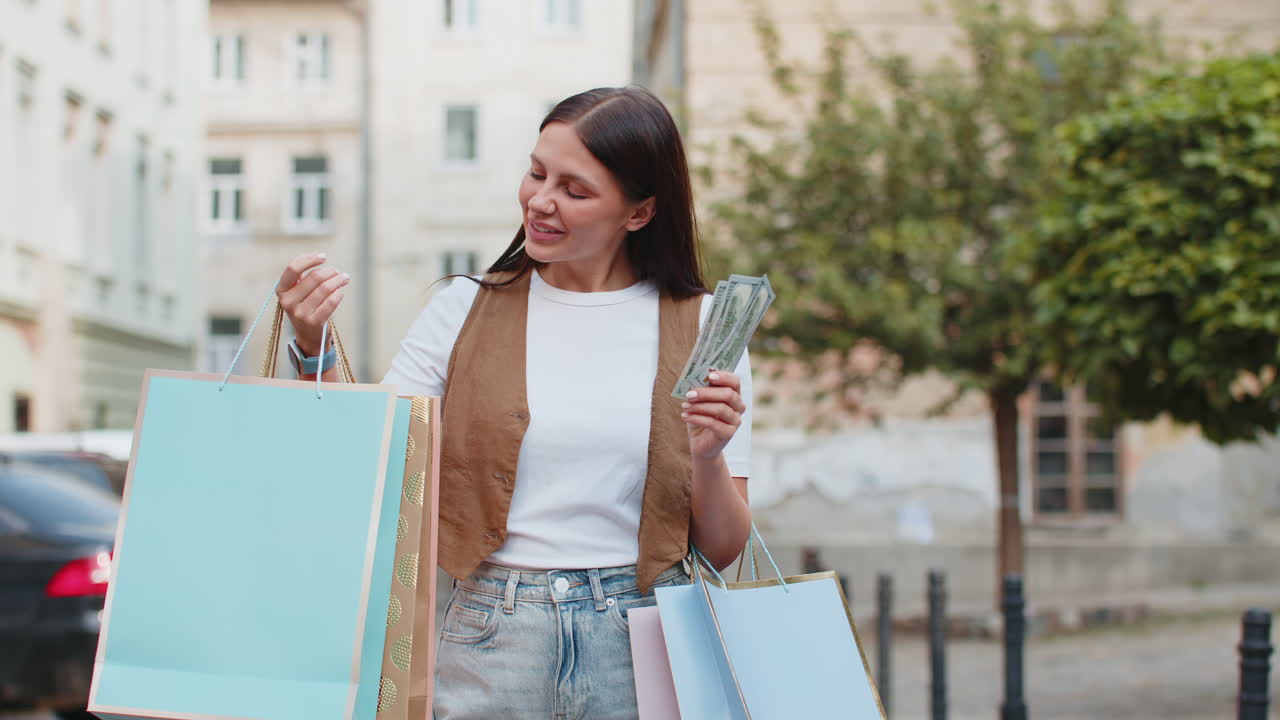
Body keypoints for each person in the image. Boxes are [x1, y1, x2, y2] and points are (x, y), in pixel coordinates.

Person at [273, 86, 753, 719]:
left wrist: (708, 455)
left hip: (646, 641)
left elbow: (723, 548)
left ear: (639, 213)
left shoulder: (707, 327)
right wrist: (314, 346)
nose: (541, 201)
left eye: (575, 190)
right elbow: (376, 466)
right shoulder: (461, 311)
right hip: (489, 634)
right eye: (536, 173)